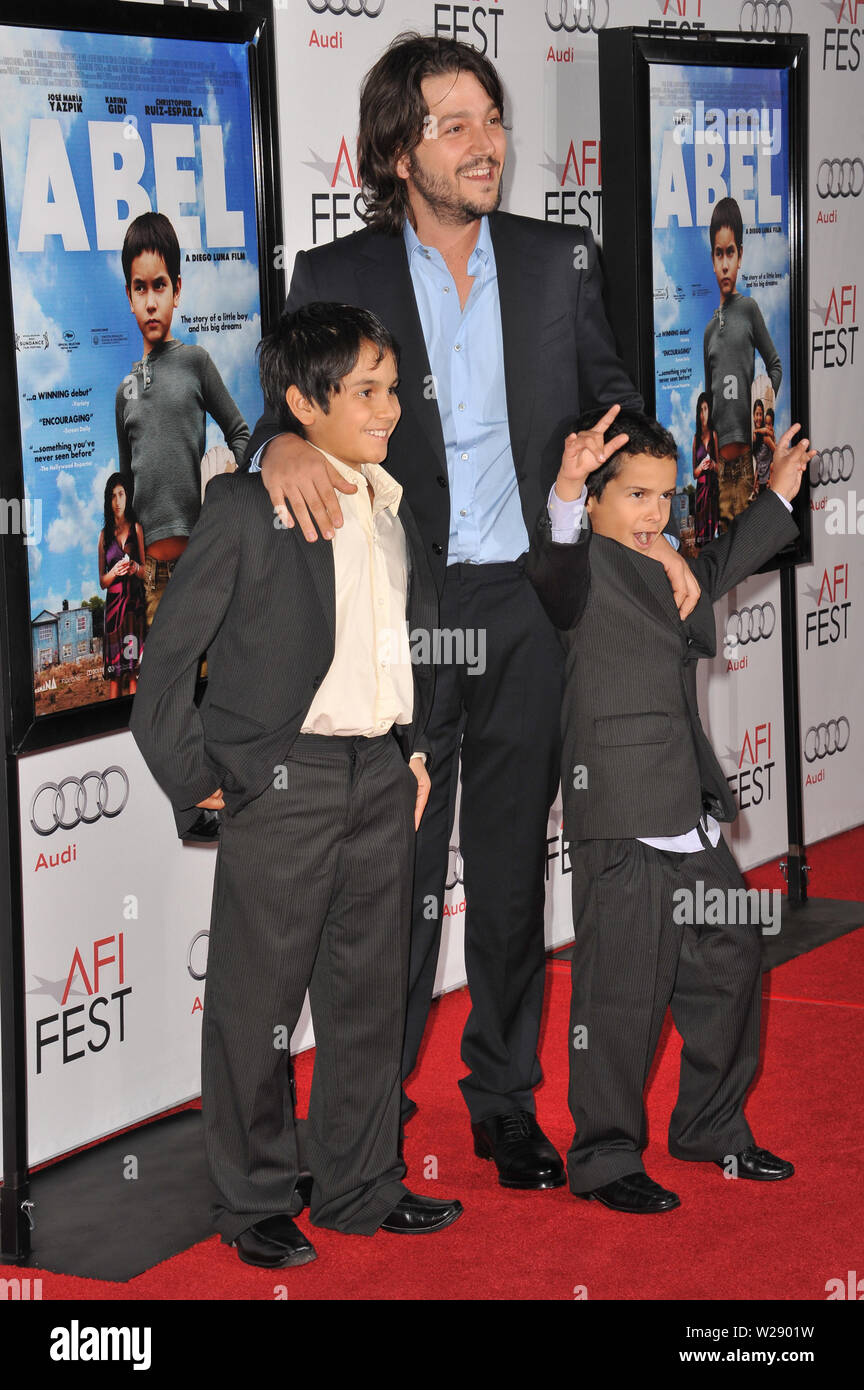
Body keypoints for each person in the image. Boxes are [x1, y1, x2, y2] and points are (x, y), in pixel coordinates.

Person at [243, 32, 698, 1191]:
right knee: (391, 883)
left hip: (528, 603)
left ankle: (503, 1102)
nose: (485, 141)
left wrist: (639, 494)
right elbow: (279, 414)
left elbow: (615, 394)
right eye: (454, 124)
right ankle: (367, 1122)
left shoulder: (558, 261)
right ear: (397, 151)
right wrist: (289, 437)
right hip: (399, 616)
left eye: (491, 118)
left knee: (505, 879)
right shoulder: (336, 275)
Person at [130, 302, 462, 1269]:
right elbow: (166, 666)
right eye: (366, 391)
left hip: (376, 775)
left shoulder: (395, 503)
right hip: (286, 779)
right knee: (256, 1007)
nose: (390, 408)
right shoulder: (246, 504)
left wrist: (410, 751)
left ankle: (362, 1185)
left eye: (393, 388)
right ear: (303, 403)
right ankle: (254, 1200)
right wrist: (202, 781)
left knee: (368, 1000)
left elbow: (400, 647)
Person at [526, 405, 813, 1213]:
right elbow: (551, 559)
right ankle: (606, 1158)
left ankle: (709, 1127)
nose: (655, 513)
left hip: (684, 814)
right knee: (621, 992)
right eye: (636, 497)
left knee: (730, 953)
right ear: (595, 504)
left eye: (664, 496)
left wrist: (779, 495)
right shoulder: (579, 573)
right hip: (618, 815)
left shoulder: (670, 565)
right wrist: (566, 485)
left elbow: (718, 564)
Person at [115, 211, 250, 630]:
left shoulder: (196, 363)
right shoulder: (123, 394)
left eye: (160, 285)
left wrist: (224, 483)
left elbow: (242, 434)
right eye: (141, 288)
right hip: (152, 579)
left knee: (212, 683)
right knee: (166, 691)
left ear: (177, 290)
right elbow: (127, 485)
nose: (151, 300)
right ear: (130, 295)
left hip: (204, 562)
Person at [703, 197, 782, 532]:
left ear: (740, 256)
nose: (724, 263)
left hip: (750, 465)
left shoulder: (749, 309)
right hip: (721, 471)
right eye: (719, 253)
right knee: (721, 567)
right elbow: (709, 401)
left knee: (751, 557)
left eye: (730, 252)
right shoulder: (707, 331)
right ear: (712, 258)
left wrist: (761, 411)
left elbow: (774, 365)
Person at [98, 473, 146, 698]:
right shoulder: (103, 536)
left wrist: (135, 567)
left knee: (133, 672)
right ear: (108, 501)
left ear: (127, 497)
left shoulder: (137, 529)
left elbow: (146, 573)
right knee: (115, 676)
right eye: (112, 496)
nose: (117, 501)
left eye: (121, 494)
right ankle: (112, 721)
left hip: (133, 610)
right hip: (113, 614)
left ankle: (133, 728)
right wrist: (114, 572)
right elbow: (102, 582)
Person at [692, 391, 720, 547]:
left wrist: (713, 465)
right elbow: (694, 474)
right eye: (700, 410)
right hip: (700, 489)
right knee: (701, 531)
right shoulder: (695, 439)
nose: (703, 414)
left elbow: (720, 467)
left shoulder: (714, 435)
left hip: (712, 488)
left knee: (713, 527)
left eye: (706, 409)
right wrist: (701, 466)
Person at [753, 399, 776, 494]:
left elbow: (778, 454)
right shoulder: (756, 437)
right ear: (753, 416)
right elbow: (758, 462)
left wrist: (772, 477)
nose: (758, 418)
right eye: (756, 414)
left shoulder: (766, 437)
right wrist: (755, 482)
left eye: (760, 414)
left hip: (768, 484)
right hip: (760, 484)